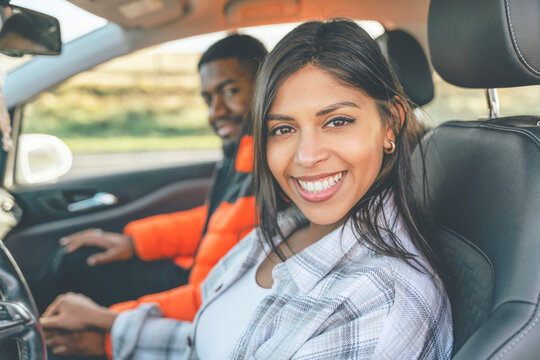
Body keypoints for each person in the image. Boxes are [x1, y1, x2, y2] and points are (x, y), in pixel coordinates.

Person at [43, 19, 453, 359]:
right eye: (283, 129)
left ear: (391, 124)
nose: (306, 156)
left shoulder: (381, 303)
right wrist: (112, 334)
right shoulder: (280, 229)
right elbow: (205, 339)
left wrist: (111, 320)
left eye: (337, 121)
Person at [38, 34, 267, 357]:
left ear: (266, 87)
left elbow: (214, 301)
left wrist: (108, 321)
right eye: (207, 99)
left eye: (230, 91)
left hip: (201, 297)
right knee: (78, 258)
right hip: (196, 278)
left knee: (74, 292)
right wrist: (133, 242)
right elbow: (214, 222)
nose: (216, 112)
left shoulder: (272, 168)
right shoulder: (242, 154)